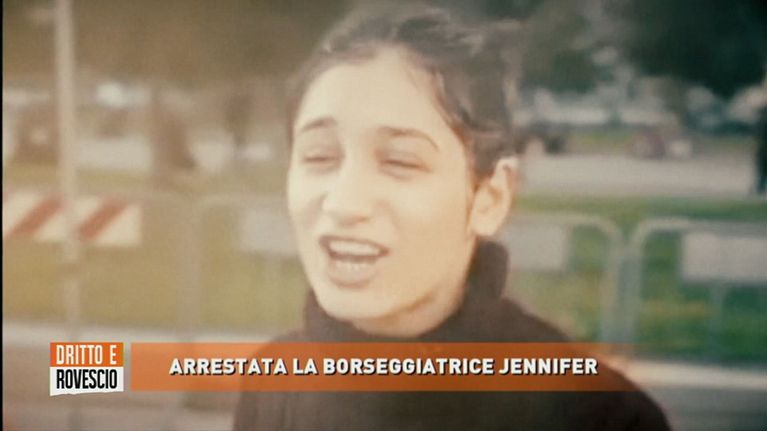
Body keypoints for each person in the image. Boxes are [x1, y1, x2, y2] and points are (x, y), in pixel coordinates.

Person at [234, 4, 670, 430]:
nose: (343, 203)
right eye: (319, 155)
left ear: (489, 198)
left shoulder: (599, 416)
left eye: (400, 161)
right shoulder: (275, 386)